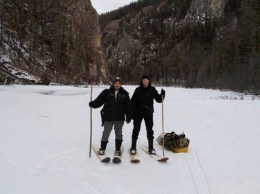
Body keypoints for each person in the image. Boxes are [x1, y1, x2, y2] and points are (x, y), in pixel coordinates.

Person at [89, 77, 132, 156]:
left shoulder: (125, 94)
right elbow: (99, 100)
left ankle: (117, 149)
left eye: (119, 83)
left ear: (121, 85)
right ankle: (102, 149)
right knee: (106, 133)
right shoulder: (107, 92)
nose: (117, 84)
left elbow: (128, 106)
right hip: (108, 116)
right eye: (116, 83)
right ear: (113, 84)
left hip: (119, 117)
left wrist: (129, 116)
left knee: (118, 133)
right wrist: (93, 104)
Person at [130, 75, 165, 154]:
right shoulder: (138, 90)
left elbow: (159, 100)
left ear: (149, 81)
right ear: (142, 81)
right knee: (136, 129)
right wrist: (131, 113)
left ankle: (151, 147)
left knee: (149, 130)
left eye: (146, 80)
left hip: (148, 113)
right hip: (138, 113)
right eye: (144, 80)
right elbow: (132, 102)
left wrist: (162, 95)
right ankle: (133, 147)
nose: (145, 81)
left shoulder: (152, 89)